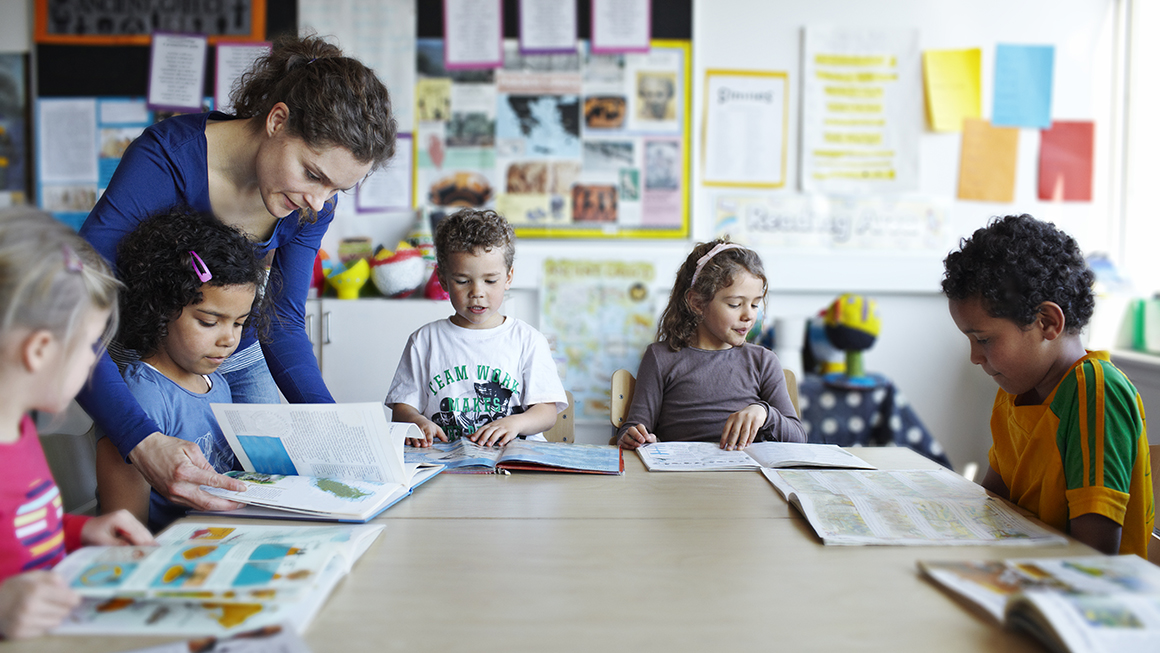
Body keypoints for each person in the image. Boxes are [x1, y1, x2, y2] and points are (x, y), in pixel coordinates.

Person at [76, 33, 398, 514]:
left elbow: (282, 322)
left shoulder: (312, 204)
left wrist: (340, 434)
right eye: (312, 174)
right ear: (277, 120)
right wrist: (140, 440)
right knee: (151, 495)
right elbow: (76, 306)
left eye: (336, 189)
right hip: (144, 349)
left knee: (265, 498)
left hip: (240, 355)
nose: (318, 203)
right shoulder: (165, 158)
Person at [942, 214, 1154, 557]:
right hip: (1023, 569)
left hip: (1084, 595)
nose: (975, 357)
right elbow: (993, 501)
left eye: (983, 339)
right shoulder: (1016, 391)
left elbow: (1095, 552)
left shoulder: (1095, 391)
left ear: (1047, 322)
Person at [0, 209, 154, 639]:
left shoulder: (20, 429)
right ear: (39, 350)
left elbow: (23, 532)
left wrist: (81, 531)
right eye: (90, 344)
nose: (94, 360)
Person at [103, 209, 271, 531]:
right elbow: (124, 528)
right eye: (209, 322)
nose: (228, 340)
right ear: (162, 309)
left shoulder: (217, 383)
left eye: (240, 323)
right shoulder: (142, 395)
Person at [386, 209, 567, 447]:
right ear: (443, 280)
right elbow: (401, 408)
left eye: (490, 281)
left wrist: (516, 423)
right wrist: (416, 421)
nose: (477, 293)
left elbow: (547, 412)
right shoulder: (424, 340)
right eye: (462, 281)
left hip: (513, 466)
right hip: (445, 465)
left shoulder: (528, 340)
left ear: (509, 277)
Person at [617, 239, 806, 451]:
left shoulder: (763, 361)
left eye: (755, 304)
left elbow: (798, 439)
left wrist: (764, 413)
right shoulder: (660, 357)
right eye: (735, 304)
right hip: (680, 478)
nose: (749, 315)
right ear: (697, 303)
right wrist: (635, 437)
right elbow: (633, 428)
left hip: (746, 479)